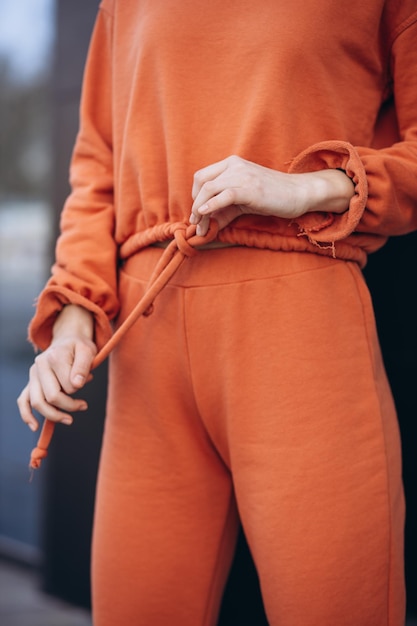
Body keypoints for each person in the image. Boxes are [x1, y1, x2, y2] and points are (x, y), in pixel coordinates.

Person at [17, 1, 417, 624]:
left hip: (299, 327)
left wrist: (310, 186)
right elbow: (98, 162)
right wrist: (73, 313)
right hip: (148, 342)